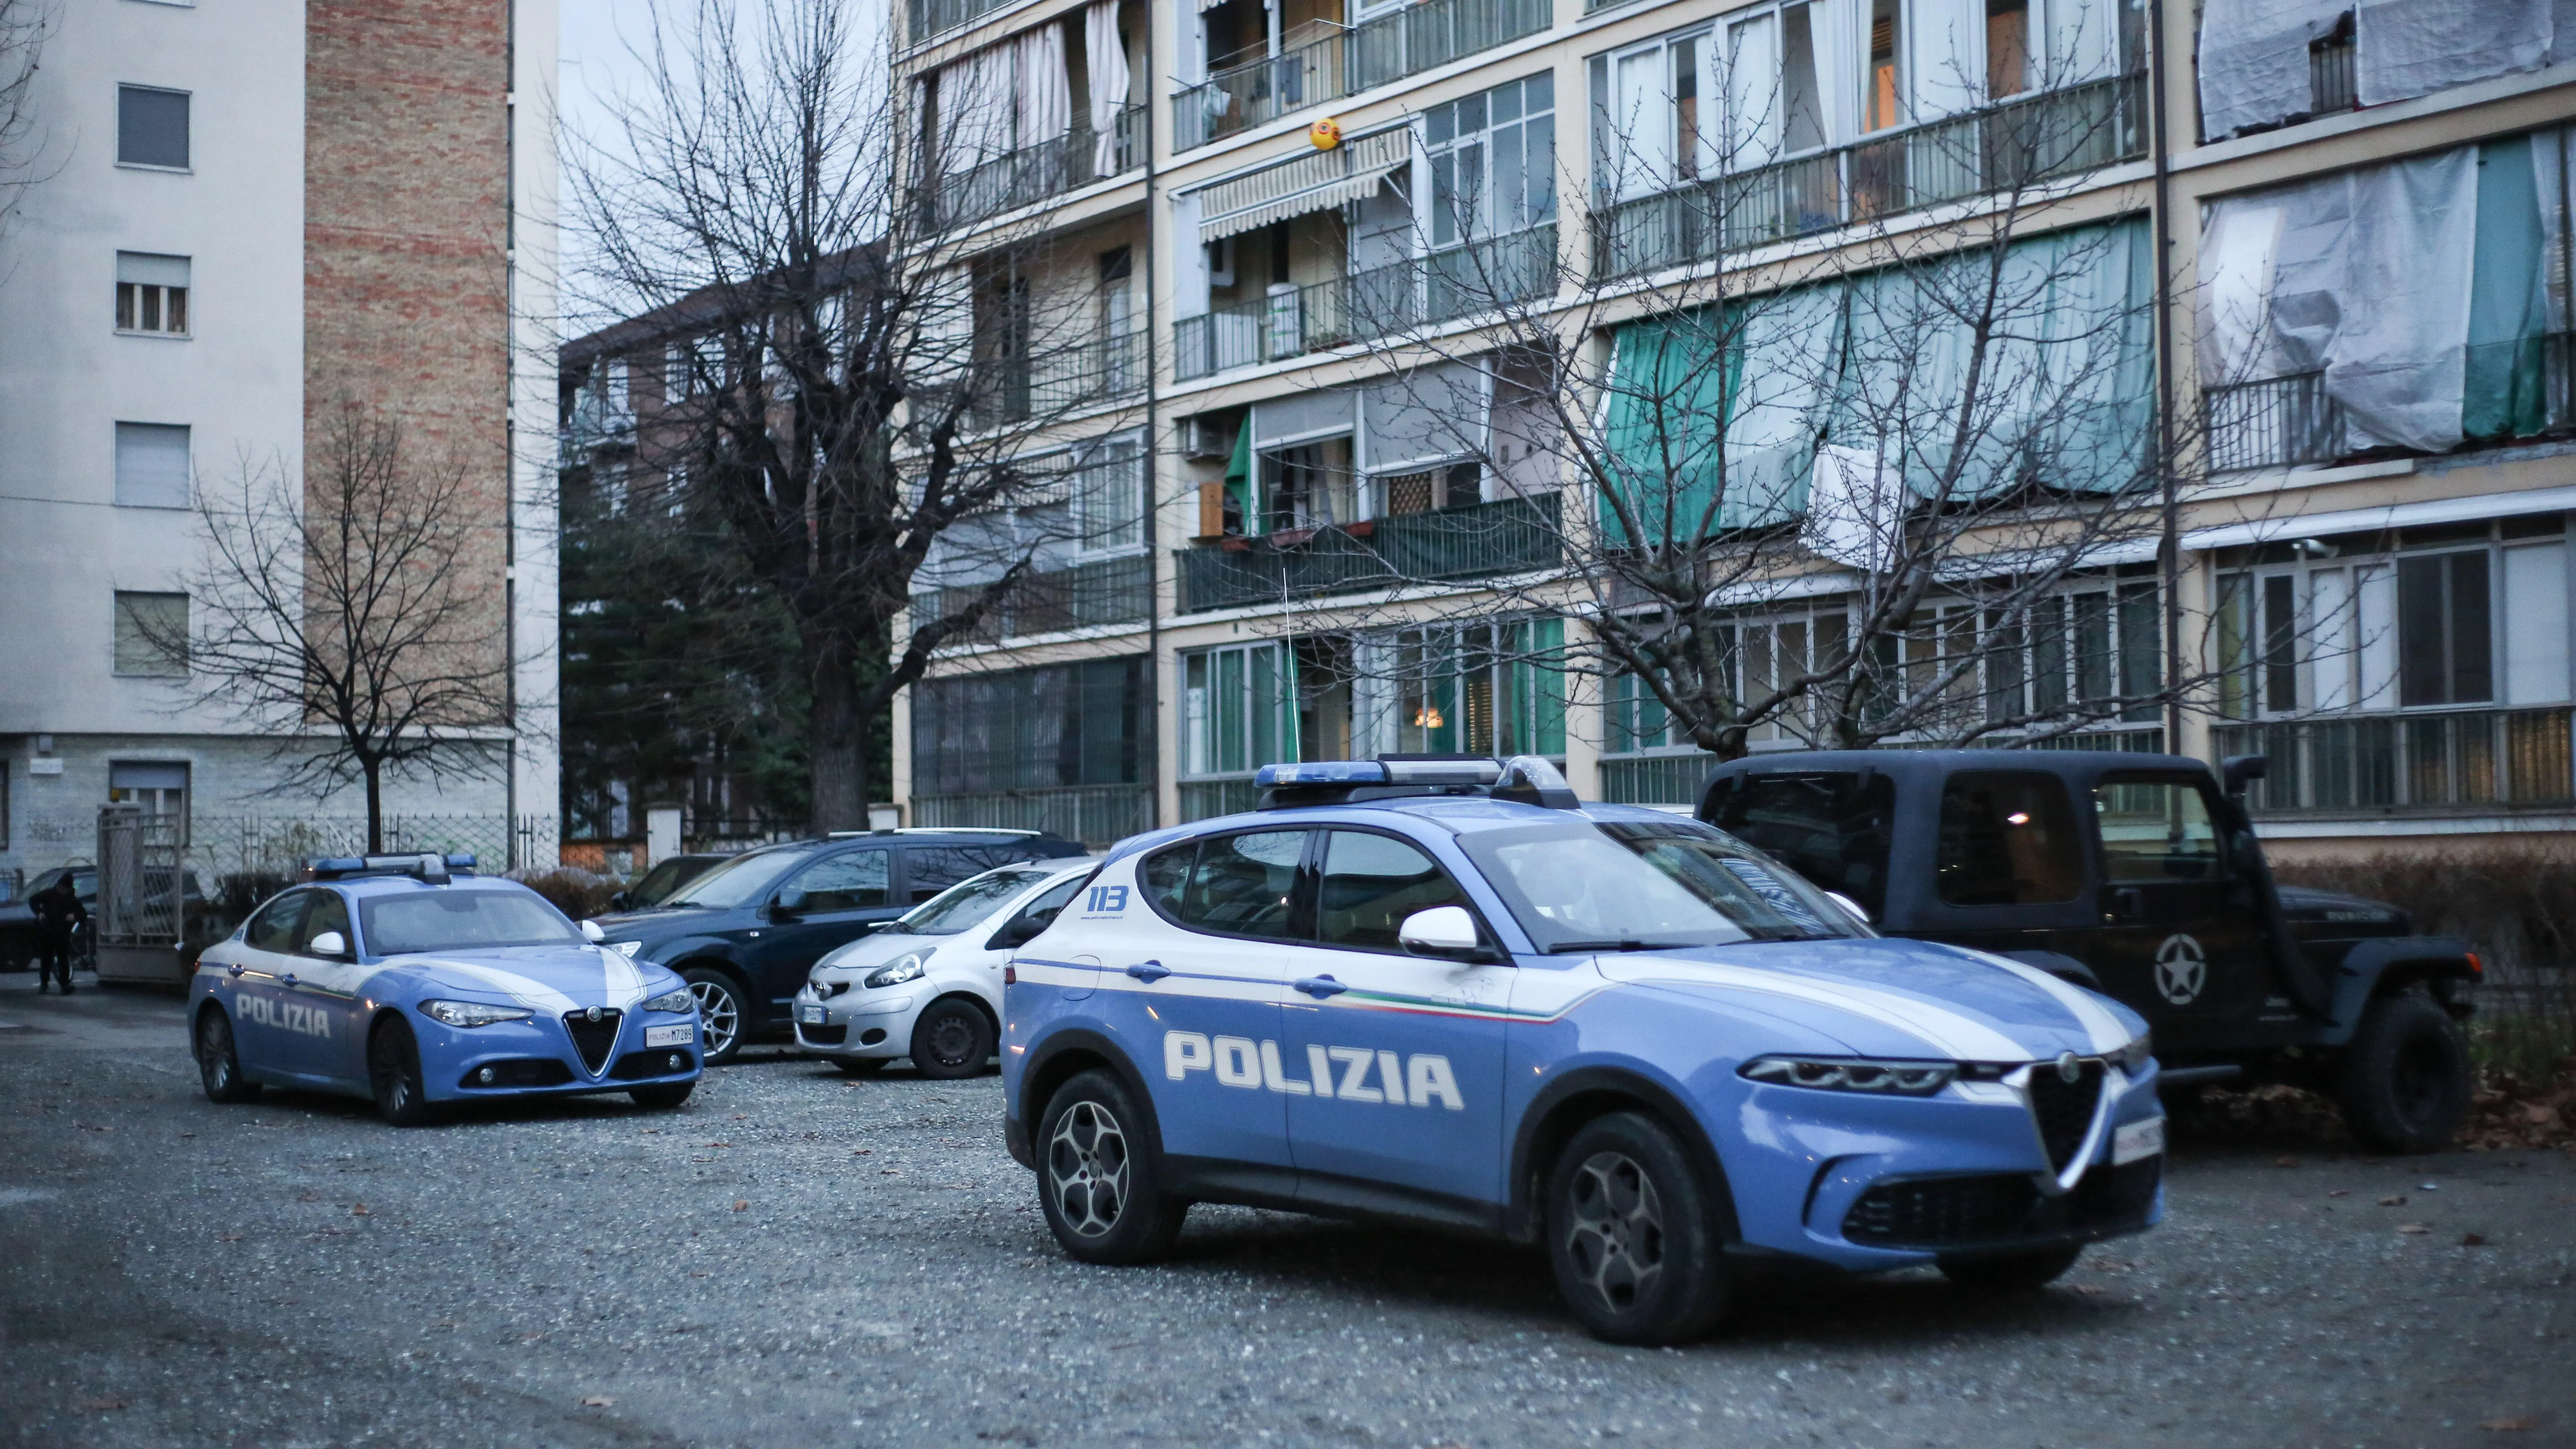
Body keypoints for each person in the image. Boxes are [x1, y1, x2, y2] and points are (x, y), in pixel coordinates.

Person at [30, 874, 85, 996]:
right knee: (46, 959)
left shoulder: (72, 900)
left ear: (69, 890)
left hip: (62, 932)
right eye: (60, 888)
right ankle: (44, 983)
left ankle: (64, 985)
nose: (61, 891)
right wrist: (39, 913)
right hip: (48, 930)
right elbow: (33, 900)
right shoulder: (49, 895)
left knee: (63, 959)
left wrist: (74, 916)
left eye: (64, 889)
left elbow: (82, 913)